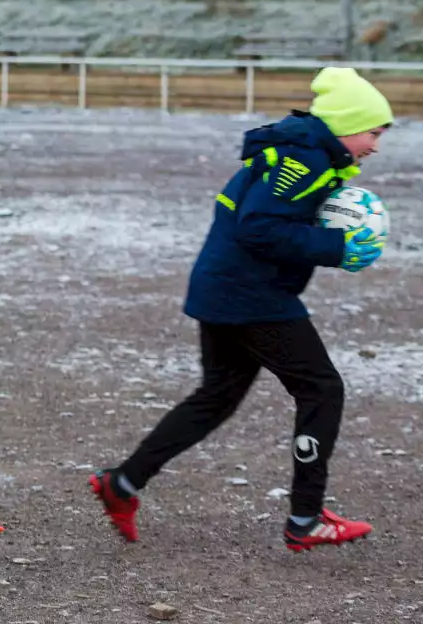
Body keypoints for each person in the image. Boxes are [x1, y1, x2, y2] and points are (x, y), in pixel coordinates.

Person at [90, 67, 391, 551]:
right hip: (250, 296)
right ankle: (306, 517)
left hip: (222, 287)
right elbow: (258, 227)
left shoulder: (301, 152)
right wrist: (336, 246)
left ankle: (122, 484)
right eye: (373, 132)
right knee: (321, 389)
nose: (376, 145)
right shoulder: (306, 160)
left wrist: (324, 238)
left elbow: (266, 222)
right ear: (345, 124)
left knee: (216, 397)